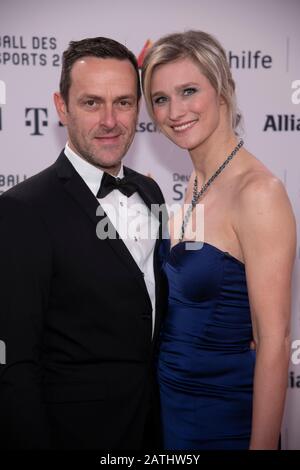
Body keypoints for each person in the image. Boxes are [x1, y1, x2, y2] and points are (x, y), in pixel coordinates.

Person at [0, 36, 166, 450]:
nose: (110, 120)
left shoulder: (151, 192)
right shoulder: (23, 210)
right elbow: (16, 364)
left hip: (160, 429)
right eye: (92, 103)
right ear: (62, 107)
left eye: (124, 102)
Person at [141, 30, 296, 450]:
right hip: (171, 409)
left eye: (189, 91)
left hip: (223, 421)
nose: (175, 111)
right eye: (160, 98)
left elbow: (274, 343)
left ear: (222, 87)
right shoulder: (194, 182)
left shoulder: (259, 193)